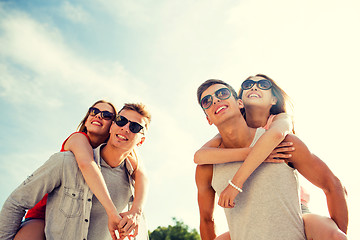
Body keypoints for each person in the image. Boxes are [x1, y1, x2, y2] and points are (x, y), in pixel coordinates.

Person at [195, 75, 348, 239]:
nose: (216, 100)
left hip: (296, 217)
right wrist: (251, 153)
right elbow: (206, 220)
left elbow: (334, 186)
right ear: (208, 119)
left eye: (223, 93)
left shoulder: (283, 142)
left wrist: (335, 234)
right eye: (207, 101)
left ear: (239, 103)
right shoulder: (208, 164)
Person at [0, 102, 151, 240]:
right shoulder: (72, 151)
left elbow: (142, 174)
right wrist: (112, 212)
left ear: (141, 140)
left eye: (135, 127)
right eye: (121, 121)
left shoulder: (132, 176)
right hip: (40, 215)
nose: (125, 128)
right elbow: (88, 164)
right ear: (113, 126)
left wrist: (136, 210)